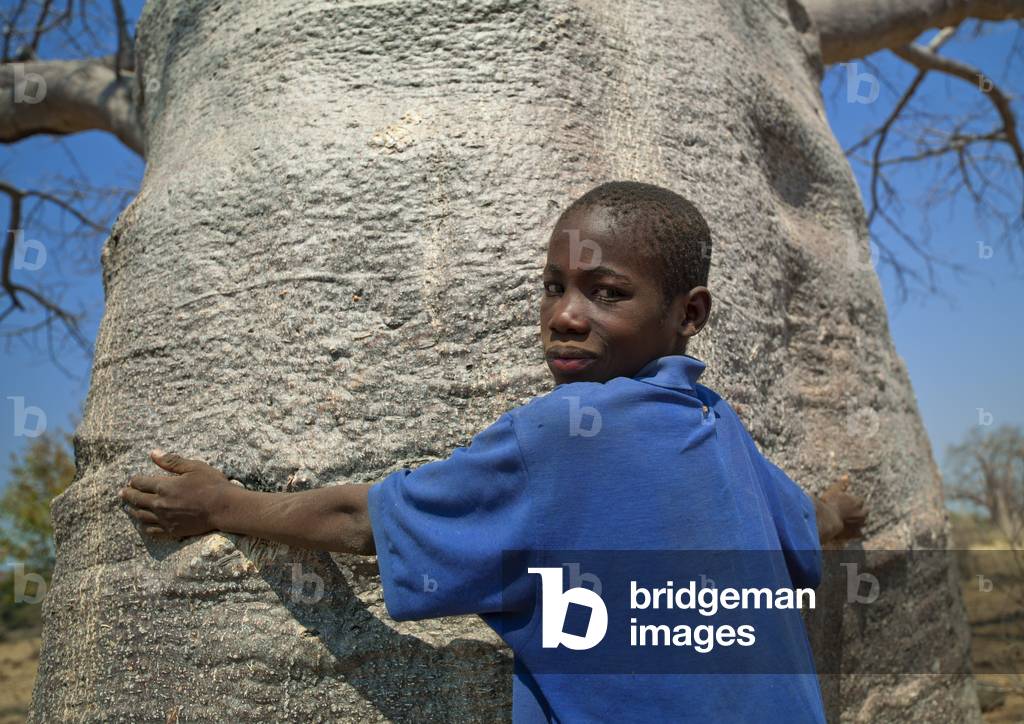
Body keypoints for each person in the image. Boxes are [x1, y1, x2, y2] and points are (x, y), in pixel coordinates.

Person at [120, 180, 867, 722]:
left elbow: (363, 522)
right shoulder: (715, 424)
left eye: (606, 293)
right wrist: (842, 509)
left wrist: (223, 505)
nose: (565, 317)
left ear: (690, 312)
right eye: (553, 286)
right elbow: (806, 525)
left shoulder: (561, 435)